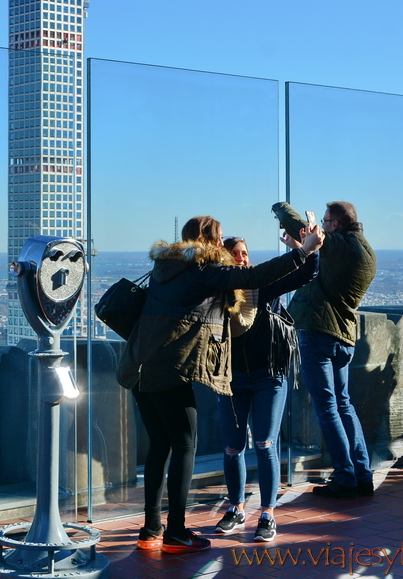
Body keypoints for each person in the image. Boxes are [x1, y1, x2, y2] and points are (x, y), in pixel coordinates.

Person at [117, 215, 323, 554]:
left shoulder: (165, 267)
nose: (223, 247)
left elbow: (253, 282)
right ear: (208, 241)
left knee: (159, 445)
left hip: (141, 366)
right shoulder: (202, 267)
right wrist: (303, 251)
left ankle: (151, 527)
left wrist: (303, 255)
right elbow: (254, 275)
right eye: (221, 239)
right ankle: (177, 532)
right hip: (173, 368)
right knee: (185, 446)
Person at [213, 233, 318, 541]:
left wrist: (307, 250)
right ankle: (236, 507)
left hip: (267, 377)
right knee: (232, 447)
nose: (241, 258)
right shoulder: (215, 293)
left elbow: (306, 274)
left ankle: (268, 513)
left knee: (264, 444)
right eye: (234, 253)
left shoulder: (261, 286)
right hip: (230, 379)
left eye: (244, 253)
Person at [271, 201, 376, 499]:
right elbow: (328, 273)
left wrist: (280, 208)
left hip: (319, 332)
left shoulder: (343, 245)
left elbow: (303, 229)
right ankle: (361, 473)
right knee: (343, 405)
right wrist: (301, 247)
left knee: (328, 407)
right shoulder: (365, 249)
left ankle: (345, 477)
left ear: (335, 224)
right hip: (343, 335)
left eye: (327, 221)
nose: (324, 225)